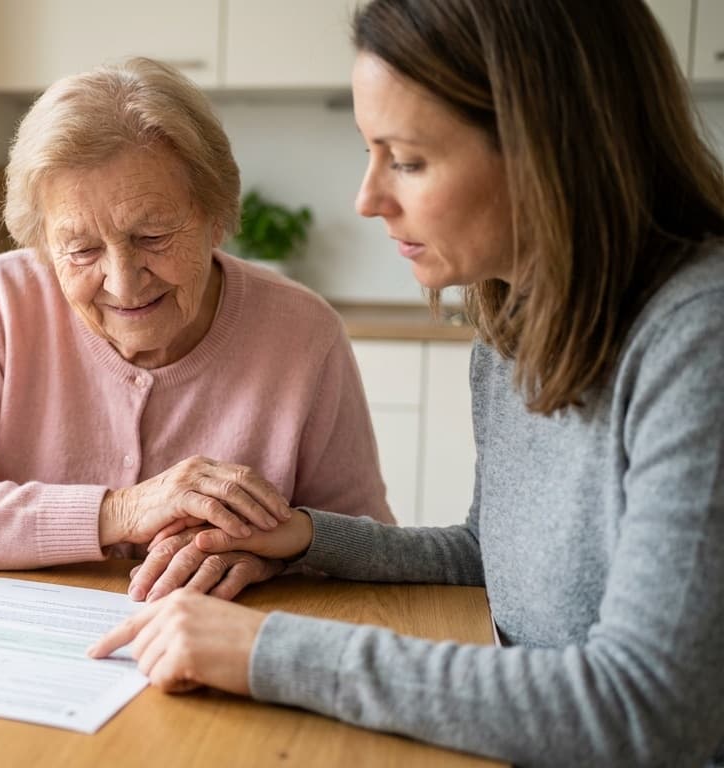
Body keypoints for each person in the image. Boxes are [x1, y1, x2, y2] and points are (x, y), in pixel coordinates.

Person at [90, 1, 724, 764]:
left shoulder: (700, 339)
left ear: (550, 148)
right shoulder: (513, 326)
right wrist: (301, 536)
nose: (368, 199)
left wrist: (267, 650)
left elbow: (649, 711)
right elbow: (488, 554)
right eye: (370, 151)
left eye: (408, 160)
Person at [0, 58, 393, 597]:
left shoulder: (303, 332)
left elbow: (371, 549)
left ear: (217, 219)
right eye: (82, 248)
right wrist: (120, 510)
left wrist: (280, 557)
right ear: (43, 245)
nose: (124, 284)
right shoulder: (4, 300)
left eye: (153, 237)